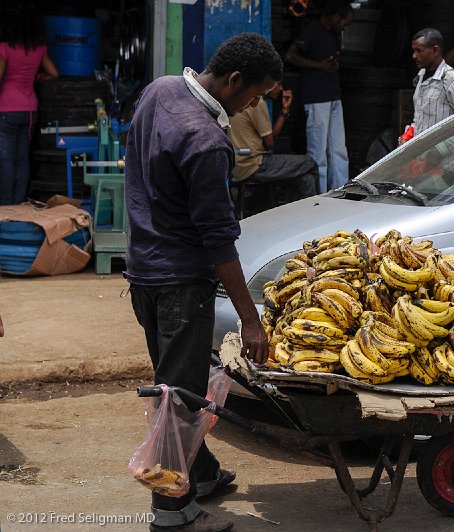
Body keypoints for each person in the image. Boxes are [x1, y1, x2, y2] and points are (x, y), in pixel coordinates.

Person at [125, 32, 278, 532]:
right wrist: (251, 320)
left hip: (144, 275)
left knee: (177, 382)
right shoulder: (208, 142)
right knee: (179, 396)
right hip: (180, 285)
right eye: (252, 98)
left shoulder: (160, 89)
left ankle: (203, 473)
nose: (251, 108)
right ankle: (173, 513)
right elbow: (218, 243)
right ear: (234, 81)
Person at [285, 0, 353, 193]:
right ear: (335, 17)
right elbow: (290, 56)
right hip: (316, 98)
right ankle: (319, 195)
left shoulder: (333, 33)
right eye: (344, 24)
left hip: (333, 95)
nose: (344, 28)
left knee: (339, 150)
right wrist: (319, 66)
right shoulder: (313, 31)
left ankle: (341, 192)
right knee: (318, 152)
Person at [0, 2, 59, 205]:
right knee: (23, 158)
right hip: (30, 109)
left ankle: (6, 203)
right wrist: (39, 78)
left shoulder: (5, 48)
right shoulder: (39, 49)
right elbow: (54, 73)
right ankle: (19, 201)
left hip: (6, 108)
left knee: (6, 157)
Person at [228, 82, 319, 212]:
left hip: (240, 162)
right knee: (310, 162)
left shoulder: (241, 98)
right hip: (254, 164)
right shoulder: (257, 103)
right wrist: (284, 113)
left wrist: (285, 111)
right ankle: (314, 212)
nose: (281, 88)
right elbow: (270, 143)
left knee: (306, 179)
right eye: (278, 84)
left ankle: (293, 211)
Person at [399, 28, 454, 146]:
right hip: (422, 160)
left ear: (435, 51)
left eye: (419, 51)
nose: (414, 55)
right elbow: (421, 120)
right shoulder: (421, 77)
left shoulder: (451, 80)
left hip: (446, 162)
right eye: (413, 51)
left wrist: (441, 151)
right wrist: (408, 135)